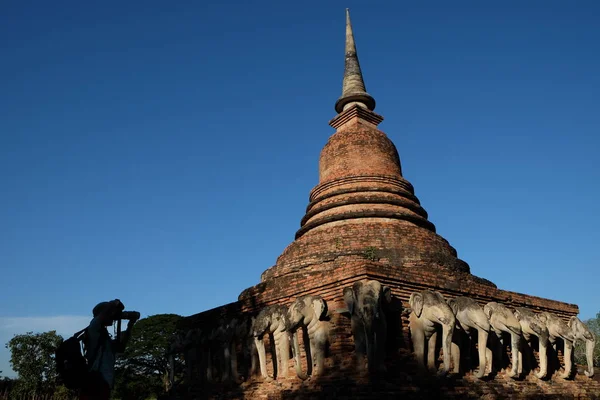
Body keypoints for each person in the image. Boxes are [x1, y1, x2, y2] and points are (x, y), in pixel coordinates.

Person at [80, 299, 139, 400]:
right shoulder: (93, 328)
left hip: (103, 383)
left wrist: (130, 325)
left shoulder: (104, 336)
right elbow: (100, 317)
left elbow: (120, 348)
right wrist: (113, 303)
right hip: (95, 382)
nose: (113, 318)